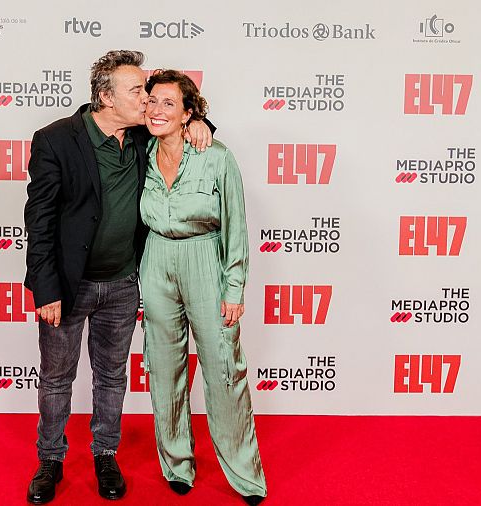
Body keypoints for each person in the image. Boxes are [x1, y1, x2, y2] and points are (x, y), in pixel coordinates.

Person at [23, 51, 212, 504]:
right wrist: (46, 287)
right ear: (106, 97)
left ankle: (105, 454)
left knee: (111, 376)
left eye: (148, 92)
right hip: (70, 286)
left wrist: (204, 123)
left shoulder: (145, 136)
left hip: (124, 282)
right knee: (56, 377)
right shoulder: (56, 140)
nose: (148, 101)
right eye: (137, 92)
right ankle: (50, 460)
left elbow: (179, 114)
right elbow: (40, 219)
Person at [138, 70, 267, 505]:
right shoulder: (139, 150)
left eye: (169, 103)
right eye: (151, 100)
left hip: (204, 258)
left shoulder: (216, 156)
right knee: (163, 366)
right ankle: (177, 463)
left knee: (223, 368)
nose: (156, 109)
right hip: (156, 259)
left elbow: (236, 227)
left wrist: (235, 287)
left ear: (189, 112)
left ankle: (245, 474)